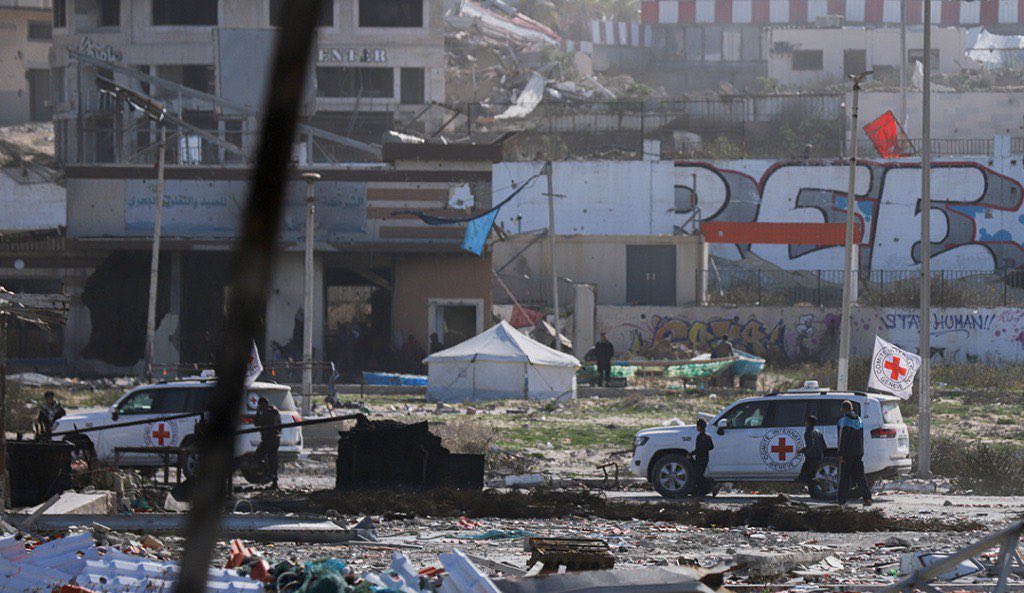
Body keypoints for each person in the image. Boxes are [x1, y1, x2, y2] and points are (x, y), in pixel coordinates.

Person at [837, 400, 872, 506]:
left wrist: (840, 454)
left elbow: (841, 439)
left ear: (843, 409)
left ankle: (841, 500)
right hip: (858, 453)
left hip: (847, 454)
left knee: (844, 478)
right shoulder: (859, 420)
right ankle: (867, 498)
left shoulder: (843, 421)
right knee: (860, 477)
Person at [254, 397, 282, 489]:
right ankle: (274, 482)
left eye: (260, 405)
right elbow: (280, 424)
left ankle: (268, 473)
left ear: (262, 405)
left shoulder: (266, 413)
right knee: (273, 460)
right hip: (276, 438)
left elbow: (256, 423)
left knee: (257, 457)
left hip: (267, 439)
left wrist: (258, 412)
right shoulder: (275, 411)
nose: (259, 407)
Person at [797, 415, 826, 498]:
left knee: (802, 477)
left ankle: (820, 482)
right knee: (811, 476)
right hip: (819, 457)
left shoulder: (808, 432)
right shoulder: (818, 432)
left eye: (806, 421)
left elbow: (810, 446)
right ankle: (813, 494)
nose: (805, 423)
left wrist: (801, 451)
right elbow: (824, 446)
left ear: (808, 423)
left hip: (811, 458)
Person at [692, 418, 714, 498]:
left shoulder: (700, 437)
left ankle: (708, 487)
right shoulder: (708, 436)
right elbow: (711, 447)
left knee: (698, 476)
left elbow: (698, 449)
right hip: (705, 458)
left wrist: (690, 454)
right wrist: (705, 449)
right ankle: (702, 490)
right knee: (699, 475)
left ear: (699, 427)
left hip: (700, 458)